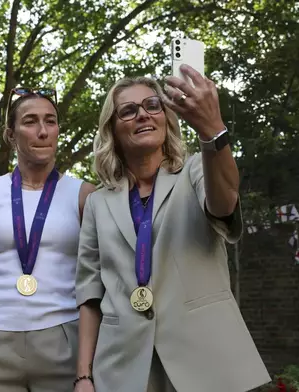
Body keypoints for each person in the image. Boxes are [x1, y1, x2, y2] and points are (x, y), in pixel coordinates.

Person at [74, 66, 270, 392]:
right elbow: (90, 294)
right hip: (123, 368)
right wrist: (84, 375)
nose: (143, 115)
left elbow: (223, 203)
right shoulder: (97, 202)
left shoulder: (197, 171)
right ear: (112, 130)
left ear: (167, 118)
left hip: (206, 362)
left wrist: (212, 131)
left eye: (153, 105)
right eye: (128, 111)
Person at [0, 87, 96, 391]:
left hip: (63, 337)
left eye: (51, 121)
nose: (43, 131)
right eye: (31, 121)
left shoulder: (84, 195)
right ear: (11, 134)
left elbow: (95, 274)